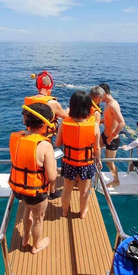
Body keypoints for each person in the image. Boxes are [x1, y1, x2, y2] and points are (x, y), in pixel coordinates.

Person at [9, 103, 57, 254]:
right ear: (44, 123)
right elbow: (52, 176)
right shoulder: (44, 145)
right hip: (36, 193)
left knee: (27, 211)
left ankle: (24, 239)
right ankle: (35, 246)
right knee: (38, 218)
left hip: (20, 190)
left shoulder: (17, 138)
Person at [55, 91, 102, 219]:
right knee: (84, 191)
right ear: (88, 107)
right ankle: (82, 212)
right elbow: (97, 148)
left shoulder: (64, 124)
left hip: (69, 162)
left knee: (67, 189)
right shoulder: (94, 126)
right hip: (86, 164)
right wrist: (98, 160)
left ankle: (64, 211)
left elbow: (58, 143)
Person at [24, 71, 68, 199]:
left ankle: (34, 188)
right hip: (45, 140)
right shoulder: (52, 103)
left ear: (37, 86)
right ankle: (52, 192)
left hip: (30, 138)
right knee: (51, 166)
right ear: (50, 86)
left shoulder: (29, 101)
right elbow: (65, 116)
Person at [99, 83, 125, 187]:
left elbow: (122, 123)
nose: (99, 98)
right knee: (93, 151)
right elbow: (107, 120)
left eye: (100, 96)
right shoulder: (107, 104)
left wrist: (110, 138)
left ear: (104, 94)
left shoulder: (113, 105)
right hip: (104, 135)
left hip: (112, 139)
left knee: (109, 162)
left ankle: (116, 180)